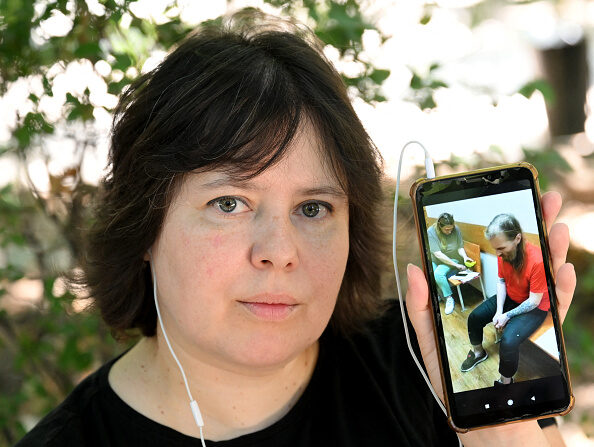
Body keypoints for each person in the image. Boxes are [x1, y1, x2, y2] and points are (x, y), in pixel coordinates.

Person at [15, 10, 576, 447]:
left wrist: (498, 431)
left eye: (313, 209)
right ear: (144, 226)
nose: (279, 253)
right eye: (229, 203)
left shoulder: (430, 368)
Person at [460, 214, 551, 386]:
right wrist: (499, 311)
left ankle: (506, 382)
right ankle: (478, 353)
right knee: (474, 317)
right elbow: (501, 281)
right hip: (512, 296)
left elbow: (533, 301)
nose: (498, 254)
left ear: (517, 238)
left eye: (501, 248)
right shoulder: (504, 255)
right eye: (495, 249)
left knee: (508, 342)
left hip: (535, 307)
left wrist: (507, 316)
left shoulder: (537, 261)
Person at [427, 213, 474, 315]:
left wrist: (465, 257)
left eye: (451, 229)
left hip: (453, 258)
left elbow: (459, 247)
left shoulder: (456, 229)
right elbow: (438, 254)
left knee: (438, 274)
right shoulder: (431, 232)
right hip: (437, 259)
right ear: (440, 227)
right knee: (429, 273)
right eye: (446, 230)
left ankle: (448, 298)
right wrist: (456, 266)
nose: (450, 231)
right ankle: (440, 294)